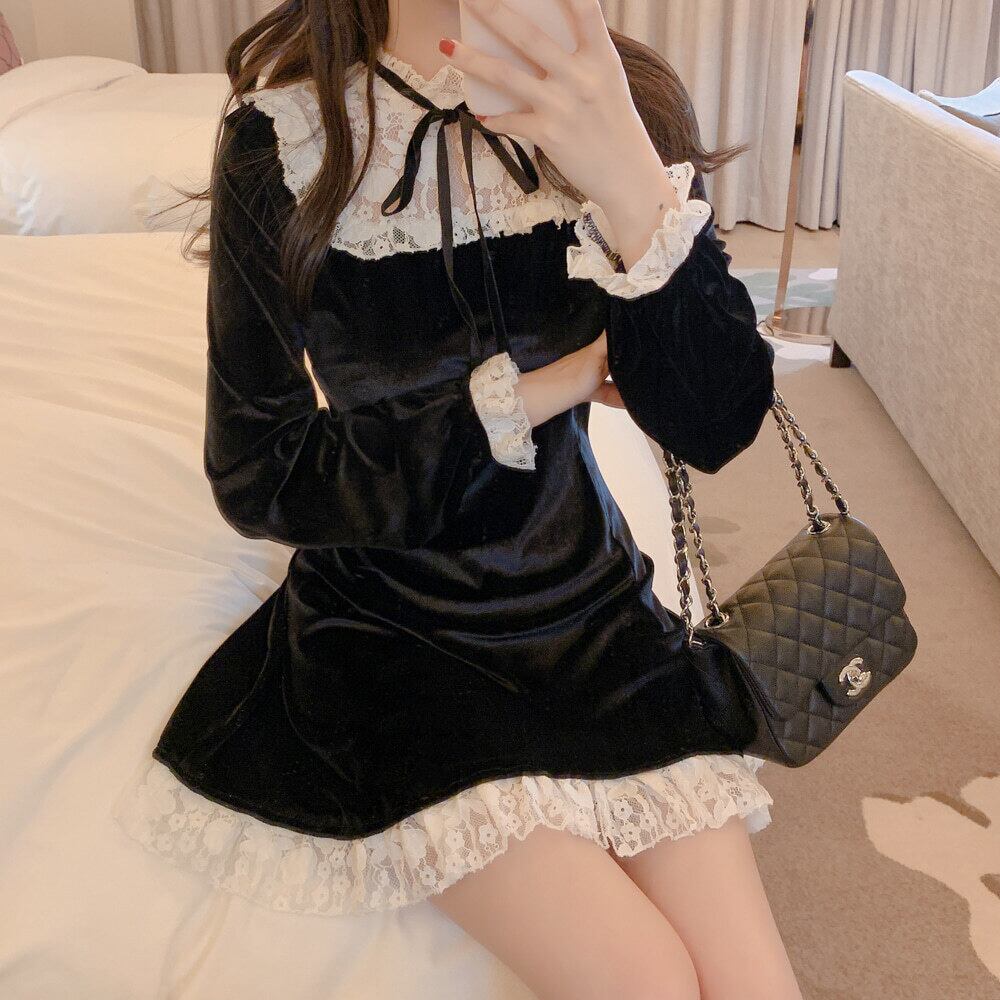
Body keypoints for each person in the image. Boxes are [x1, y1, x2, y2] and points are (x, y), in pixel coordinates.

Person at [113, 1, 803, 997]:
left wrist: (623, 164)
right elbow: (262, 471)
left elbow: (716, 421)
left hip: (595, 617)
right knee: (647, 979)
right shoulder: (285, 138)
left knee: (756, 983)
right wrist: (546, 387)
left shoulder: (610, 95)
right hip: (397, 640)